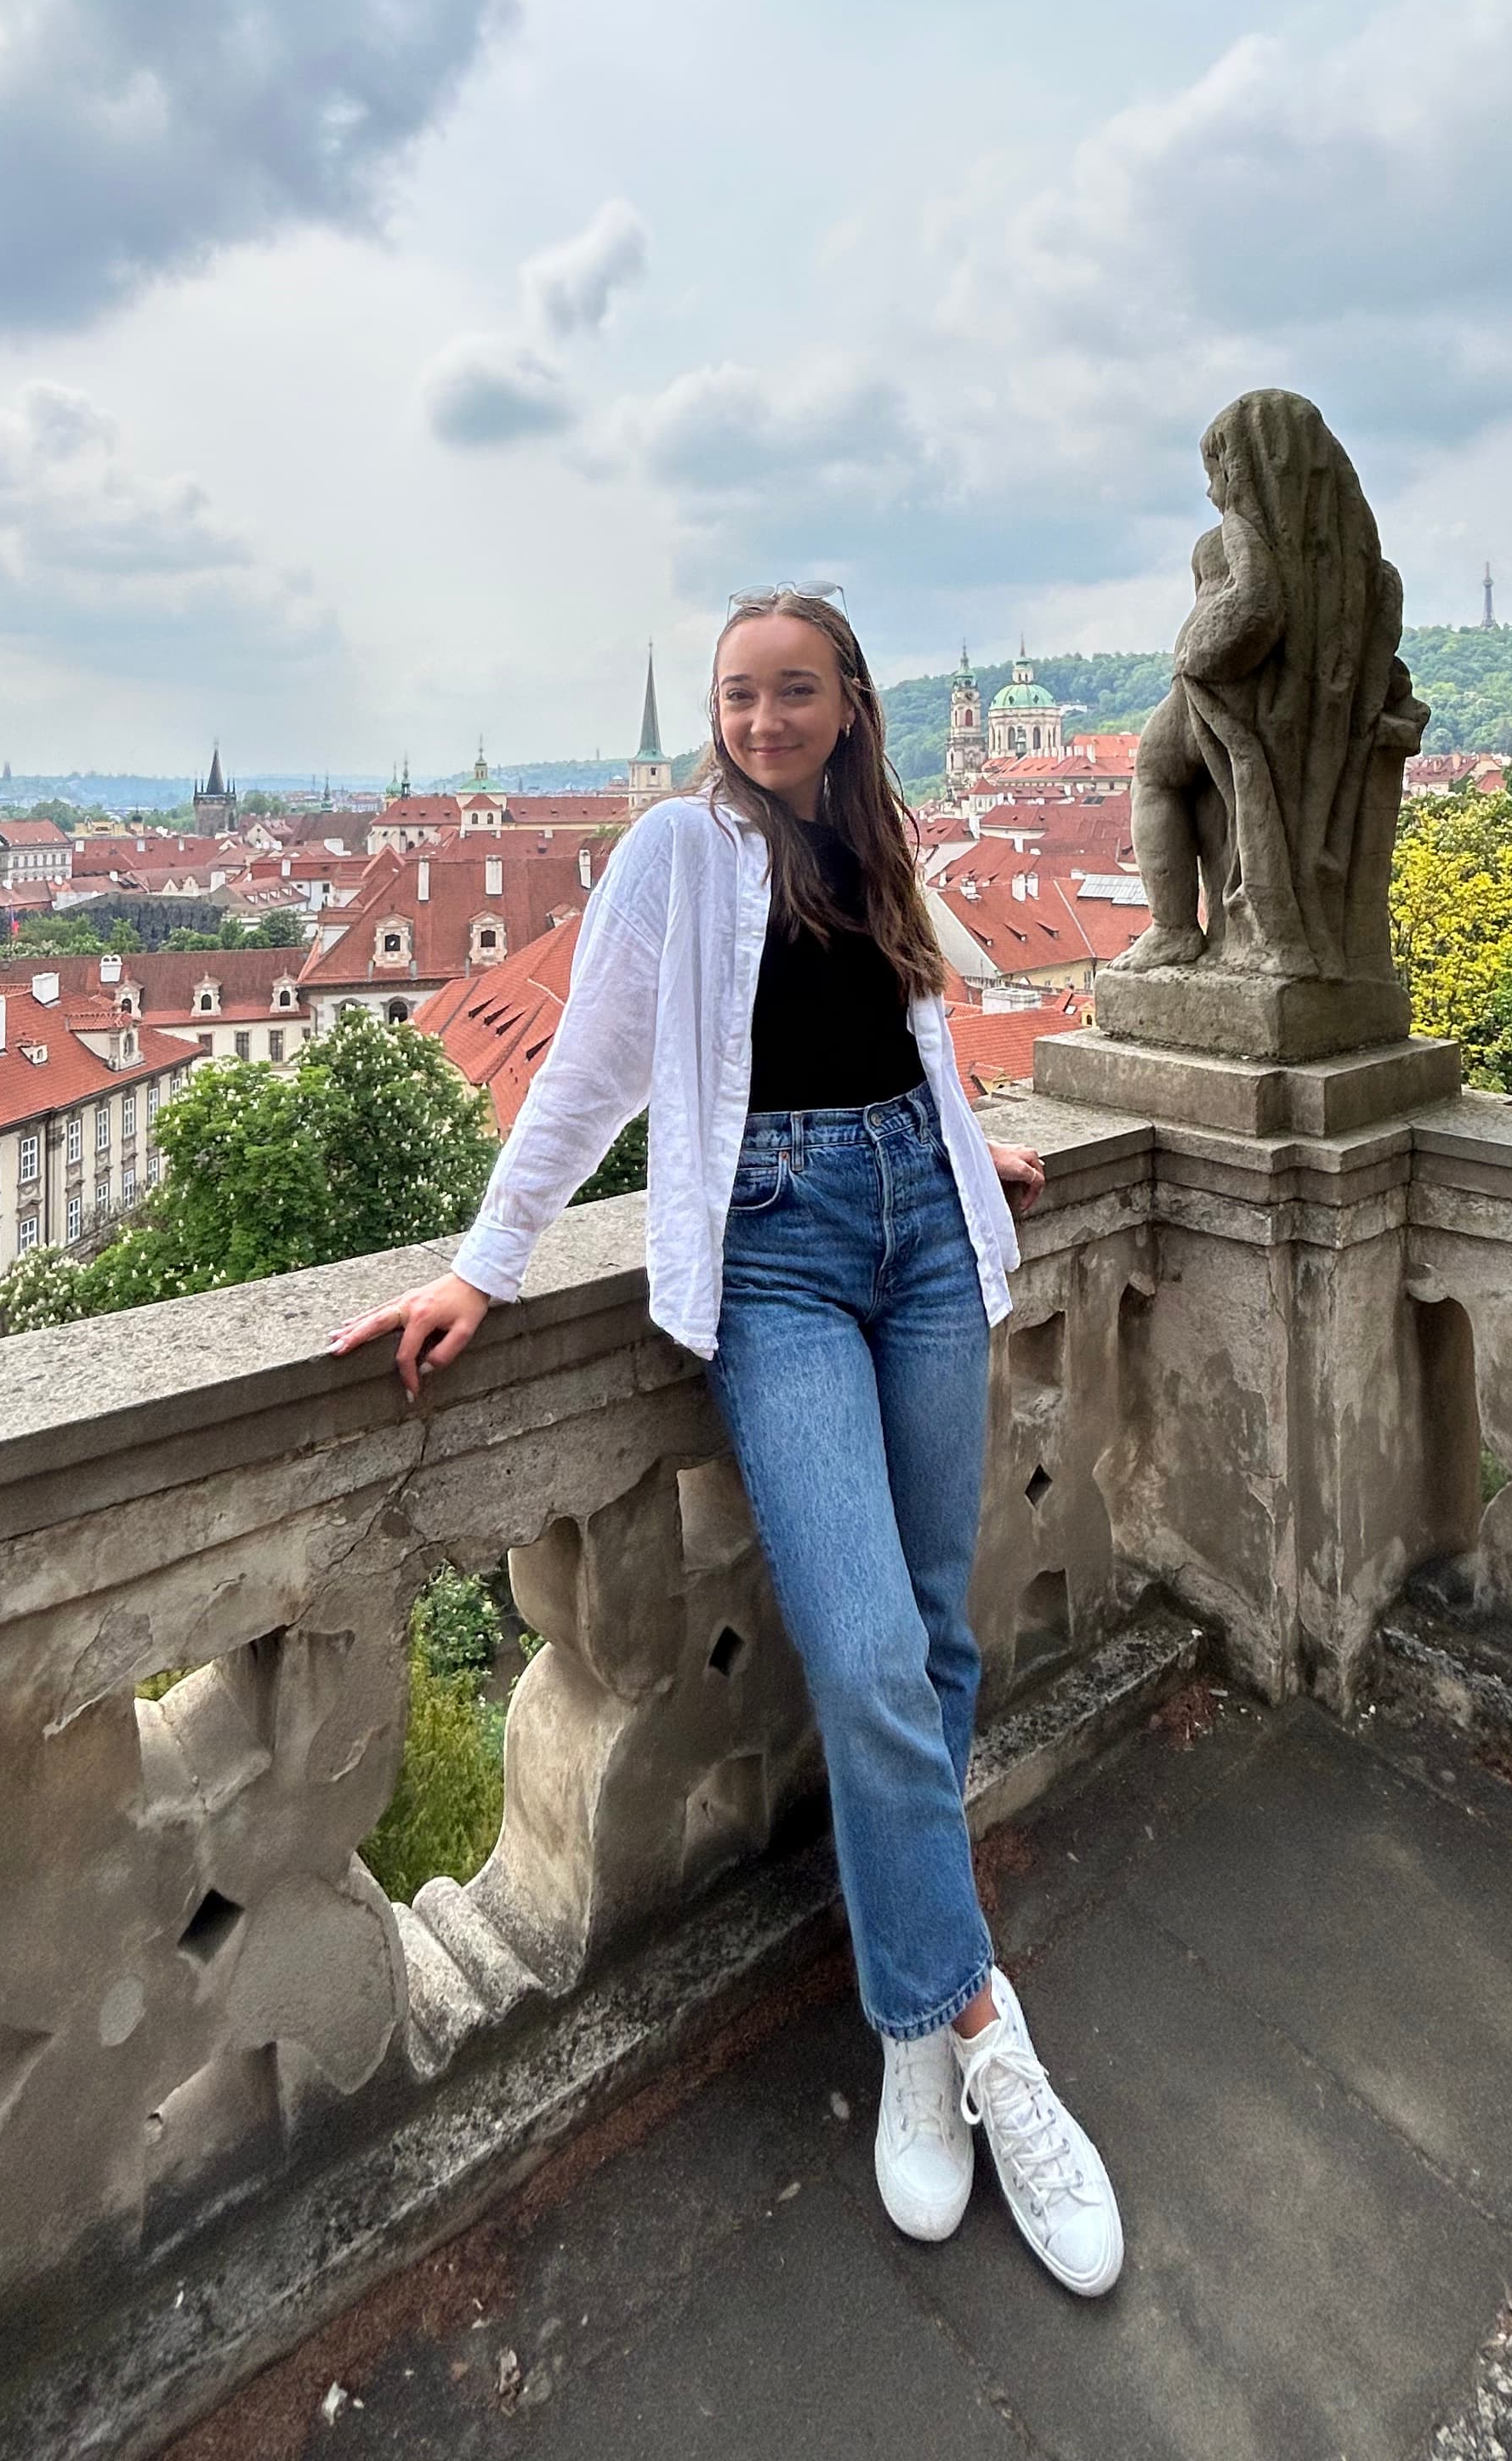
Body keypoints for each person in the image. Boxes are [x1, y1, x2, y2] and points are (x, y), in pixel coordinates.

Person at [330, 591, 1123, 2295]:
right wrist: (489, 1258)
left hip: (924, 1226)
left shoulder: (879, 837)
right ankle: (971, 2028)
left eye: (796, 691)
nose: (764, 718)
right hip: (771, 1249)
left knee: (934, 1631)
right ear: (719, 715)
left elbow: (908, 1035)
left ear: (848, 705)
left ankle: (916, 2001)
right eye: (738, 694)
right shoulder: (677, 852)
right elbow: (594, 1064)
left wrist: (974, 1160)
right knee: (863, 1657)